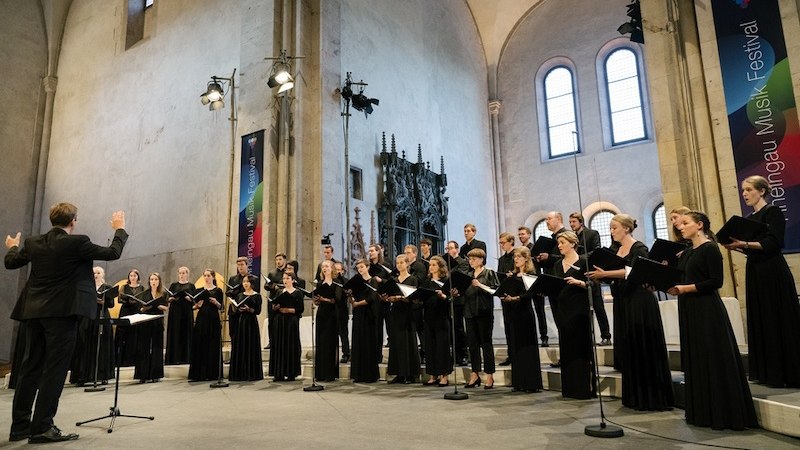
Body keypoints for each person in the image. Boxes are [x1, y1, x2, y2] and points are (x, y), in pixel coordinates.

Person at [5, 204, 127, 443]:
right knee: (55, 371)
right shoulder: (77, 242)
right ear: (73, 221)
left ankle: (20, 427)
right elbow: (113, 253)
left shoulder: (33, 243)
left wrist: (12, 247)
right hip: (62, 314)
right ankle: (41, 427)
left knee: (30, 369)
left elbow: (11, 262)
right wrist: (119, 229)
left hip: (34, 314)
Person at [668, 211, 757, 430]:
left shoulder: (710, 248)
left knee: (711, 354)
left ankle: (722, 412)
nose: (681, 227)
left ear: (699, 225)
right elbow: (678, 277)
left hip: (706, 308)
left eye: (686, 223)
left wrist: (685, 288)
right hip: (689, 308)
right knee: (697, 356)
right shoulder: (688, 251)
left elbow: (715, 281)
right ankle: (703, 412)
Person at [587, 214, 673, 411]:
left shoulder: (639, 248)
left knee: (643, 345)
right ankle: (636, 395)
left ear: (626, 228)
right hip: (624, 301)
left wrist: (606, 274)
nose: (612, 231)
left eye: (614, 227)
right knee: (630, 346)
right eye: (610, 228)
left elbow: (634, 272)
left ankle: (651, 396)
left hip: (640, 302)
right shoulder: (616, 250)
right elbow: (618, 275)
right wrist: (602, 277)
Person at [723, 175, 800, 387]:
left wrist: (745, 243)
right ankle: (768, 372)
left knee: (776, 316)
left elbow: (775, 242)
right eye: (743, 190)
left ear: (762, 191)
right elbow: (751, 246)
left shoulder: (772, 212)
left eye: (748, 190)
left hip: (772, 269)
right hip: (755, 269)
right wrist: (738, 246)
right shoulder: (750, 217)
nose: (745, 194)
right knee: (761, 316)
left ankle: (786, 372)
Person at [552, 232, 595, 399]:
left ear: (572, 243)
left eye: (562, 242)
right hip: (563, 309)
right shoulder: (557, 264)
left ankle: (584, 388)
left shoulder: (584, 262)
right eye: (559, 243)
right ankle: (569, 388)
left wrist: (581, 283)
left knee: (581, 348)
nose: (560, 245)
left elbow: (594, 285)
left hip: (579, 310)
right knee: (567, 347)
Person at [453, 248, 499, 389]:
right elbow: (463, 292)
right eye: (470, 259)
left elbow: (496, 290)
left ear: (481, 259)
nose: (470, 261)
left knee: (486, 344)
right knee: (472, 345)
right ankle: (475, 374)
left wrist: (480, 285)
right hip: (469, 312)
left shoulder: (489, 272)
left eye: (473, 259)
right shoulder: (468, 275)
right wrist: (456, 293)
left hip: (484, 312)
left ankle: (490, 375)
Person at [499, 247, 542, 393]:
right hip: (514, 314)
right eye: (515, 257)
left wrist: (515, 298)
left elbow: (529, 294)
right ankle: (518, 382)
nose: (515, 259)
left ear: (526, 258)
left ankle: (531, 383)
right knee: (516, 347)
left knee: (527, 348)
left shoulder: (531, 275)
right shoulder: (514, 275)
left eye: (518, 256)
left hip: (525, 314)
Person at [568, 212, 611, 346]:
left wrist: (581, 257)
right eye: (570, 222)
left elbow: (597, 250)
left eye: (573, 221)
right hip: (578, 274)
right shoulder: (572, 237)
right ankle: (586, 337)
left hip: (591, 273)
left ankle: (606, 336)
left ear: (581, 222)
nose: (571, 224)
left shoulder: (592, 233)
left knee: (598, 307)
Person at [68, 266, 115, 386]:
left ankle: (102, 375)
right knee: (85, 344)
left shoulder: (107, 287)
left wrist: (103, 301)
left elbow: (111, 304)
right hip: (88, 317)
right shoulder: (87, 287)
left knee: (102, 344)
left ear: (102, 275)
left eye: (98, 273)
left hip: (102, 315)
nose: (96, 275)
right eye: (94, 273)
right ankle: (83, 376)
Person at [383, 254, 420, 384]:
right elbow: (388, 294)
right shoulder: (393, 279)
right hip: (396, 313)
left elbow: (413, 298)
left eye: (401, 263)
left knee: (407, 342)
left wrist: (398, 298)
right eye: (397, 263)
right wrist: (386, 298)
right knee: (396, 343)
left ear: (407, 264)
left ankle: (409, 374)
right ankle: (399, 373)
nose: (399, 265)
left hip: (407, 313)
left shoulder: (412, 279)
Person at [421, 256, 452, 387]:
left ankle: (444, 376)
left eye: (434, 265)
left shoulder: (446, 281)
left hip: (442, 317)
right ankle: (433, 375)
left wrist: (443, 296)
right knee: (430, 347)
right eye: (430, 265)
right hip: (428, 317)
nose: (431, 267)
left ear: (440, 266)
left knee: (442, 347)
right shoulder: (427, 282)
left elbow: (451, 299)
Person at [535, 211, 567, 337]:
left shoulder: (566, 235)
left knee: (565, 321)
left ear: (558, 219)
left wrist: (549, 257)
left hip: (562, 282)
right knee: (559, 322)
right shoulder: (550, 239)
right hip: (552, 283)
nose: (546, 221)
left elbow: (567, 257)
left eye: (549, 218)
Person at [348, 259, 380, 383]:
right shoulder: (356, 282)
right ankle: (358, 374)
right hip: (358, 314)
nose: (360, 269)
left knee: (368, 343)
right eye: (358, 267)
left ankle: (369, 375)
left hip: (369, 315)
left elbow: (371, 298)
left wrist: (357, 303)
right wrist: (350, 296)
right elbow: (353, 298)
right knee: (358, 342)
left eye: (362, 267)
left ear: (367, 267)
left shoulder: (373, 281)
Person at [188, 269, 223, 382]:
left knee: (212, 344)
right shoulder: (199, 290)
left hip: (213, 319)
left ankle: (212, 373)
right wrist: (197, 305)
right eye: (205, 276)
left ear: (213, 277)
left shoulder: (218, 290)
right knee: (200, 344)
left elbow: (221, 307)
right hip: (202, 319)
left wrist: (215, 302)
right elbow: (193, 306)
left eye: (208, 275)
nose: (206, 277)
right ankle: (200, 373)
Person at [228, 275, 264, 381]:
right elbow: (236, 310)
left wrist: (249, 309)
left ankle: (252, 373)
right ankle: (240, 373)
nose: (245, 283)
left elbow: (258, 311)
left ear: (252, 283)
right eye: (244, 281)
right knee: (241, 345)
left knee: (251, 345)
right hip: (241, 322)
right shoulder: (239, 295)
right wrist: (234, 306)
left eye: (247, 281)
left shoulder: (257, 296)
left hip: (251, 323)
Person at [134, 273, 168, 383]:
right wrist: (145, 308)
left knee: (157, 348)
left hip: (157, 321)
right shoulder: (144, 294)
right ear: (149, 281)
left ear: (159, 281)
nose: (153, 281)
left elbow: (166, 307)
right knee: (143, 347)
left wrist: (156, 305)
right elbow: (140, 309)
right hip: (146, 321)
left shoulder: (163, 293)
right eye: (152, 279)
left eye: (156, 279)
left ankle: (155, 374)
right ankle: (142, 375)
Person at [271, 272, 304, 381]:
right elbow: (274, 306)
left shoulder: (297, 293)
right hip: (280, 321)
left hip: (292, 321)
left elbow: (300, 309)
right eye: (284, 278)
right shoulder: (279, 291)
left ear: (293, 280)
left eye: (288, 278)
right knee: (279, 345)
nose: (285, 280)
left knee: (291, 345)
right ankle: (279, 373)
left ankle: (291, 373)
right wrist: (275, 307)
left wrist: (289, 310)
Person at [518, 226, 548, 348]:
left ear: (529, 235)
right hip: (523, 283)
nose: (521, 236)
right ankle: (529, 337)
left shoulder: (535, 248)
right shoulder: (519, 250)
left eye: (523, 234)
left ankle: (544, 337)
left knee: (540, 311)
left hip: (535, 281)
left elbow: (541, 266)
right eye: (519, 234)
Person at [313, 261, 341, 382]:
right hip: (321, 315)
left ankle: (330, 373)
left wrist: (324, 299)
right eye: (323, 267)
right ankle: (320, 373)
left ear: (332, 268)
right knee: (321, 342)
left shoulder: (337, 283)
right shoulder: (319, 283)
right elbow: (317, 301)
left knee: (330, 342)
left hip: (332, 315)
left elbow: (337, 300)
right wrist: (317, 300)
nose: (325, 268)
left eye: (327, 266)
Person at [442, 240, 469, 366]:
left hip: (459, 299)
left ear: (457, 250)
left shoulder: (462, 262)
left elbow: (460, 276)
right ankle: (454, 354)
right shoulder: (445, 263)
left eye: (451, 248)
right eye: (447, 248)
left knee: (458, 327)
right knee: (450, 328)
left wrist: (448, 272)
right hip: (447, 298)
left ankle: (463, 354)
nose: (449, 251)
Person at [165, 266, 196, 365]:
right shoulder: (174, 285)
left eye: (184, 273)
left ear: (187, 274)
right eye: (180, 273)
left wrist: (189, 299)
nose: (182, 275)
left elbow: (195, 300)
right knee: (175, 333)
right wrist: (172, 298)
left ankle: (186, 357)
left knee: (186, 333)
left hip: (187, 312)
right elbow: (167, 299)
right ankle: (174, 358)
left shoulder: (191, 286)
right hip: (175, 312)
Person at [225, 257, 254, 355]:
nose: (240, 267)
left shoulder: (252, 278)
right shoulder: (233, 279)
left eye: (242, 264)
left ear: (247, 265)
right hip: (234, 309)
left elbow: (255, 293)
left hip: (245, 310)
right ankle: (234, 356)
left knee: (245, 335)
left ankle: (245, 356)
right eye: (238, 265)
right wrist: (232, 292)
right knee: (233, 333)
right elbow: (227, 292)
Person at [116, 269, 144, 367]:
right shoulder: (124, 287)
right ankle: (123, 360)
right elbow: (120, 299)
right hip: (126, 310)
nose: (133, 277)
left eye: (135, 276)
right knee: (125, 334)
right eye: (131, 275)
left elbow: (143, 299)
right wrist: (128, 301)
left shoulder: (142, 288)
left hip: (136, 310)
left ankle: (134, 359)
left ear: (138, 277)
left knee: (136, 334)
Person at [404, 244, 426, 362]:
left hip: (417, 302)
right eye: (405, 252)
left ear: (414, 254)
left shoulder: (419, 266)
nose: (406, 255)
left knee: (420, 329)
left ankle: (424, 353)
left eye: (408, 252)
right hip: (406, 303)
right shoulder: (404, 266)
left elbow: (419, 281)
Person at [368, 244, 392, 353]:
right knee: (375, 327)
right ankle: (376, 353)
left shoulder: (386, 265)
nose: (370, 253)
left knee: (387, 324)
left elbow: (392, 282)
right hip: (372, 300)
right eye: (369, 251)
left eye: (372, 251)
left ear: (378, 252)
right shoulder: (368, 266)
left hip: (384, 299)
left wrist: (381, 280)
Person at [496, 232, 515, 366]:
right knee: (508, 326)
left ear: (511, 242)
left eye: (503, 242)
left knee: (514, 326)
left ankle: (516, 354)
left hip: (515, 294)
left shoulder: (517, 255)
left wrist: (512, 275)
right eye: (500, 243)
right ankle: (511, 354)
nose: (501, 245)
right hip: (505, 294)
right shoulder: (502, 259)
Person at [264, 252, 287, 349]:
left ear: (284, 260)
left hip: (284, 299)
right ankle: (271, 341)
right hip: (273, 299)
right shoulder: (272, 273)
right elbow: (266, 285)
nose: (278, 262)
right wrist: (273, 286)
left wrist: (279, 286)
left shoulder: (287, 272)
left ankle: (283, 341)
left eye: (280, 259)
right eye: (277, 260)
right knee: (271, 321)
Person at [333, 260, 351, 363]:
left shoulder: (346, 281)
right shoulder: (331, 281)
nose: (337, 272)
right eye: (335, 270)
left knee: (343, 333)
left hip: (342, 310)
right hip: (332, 311)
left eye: (339, 270)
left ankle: (346, 354)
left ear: (343, 271)